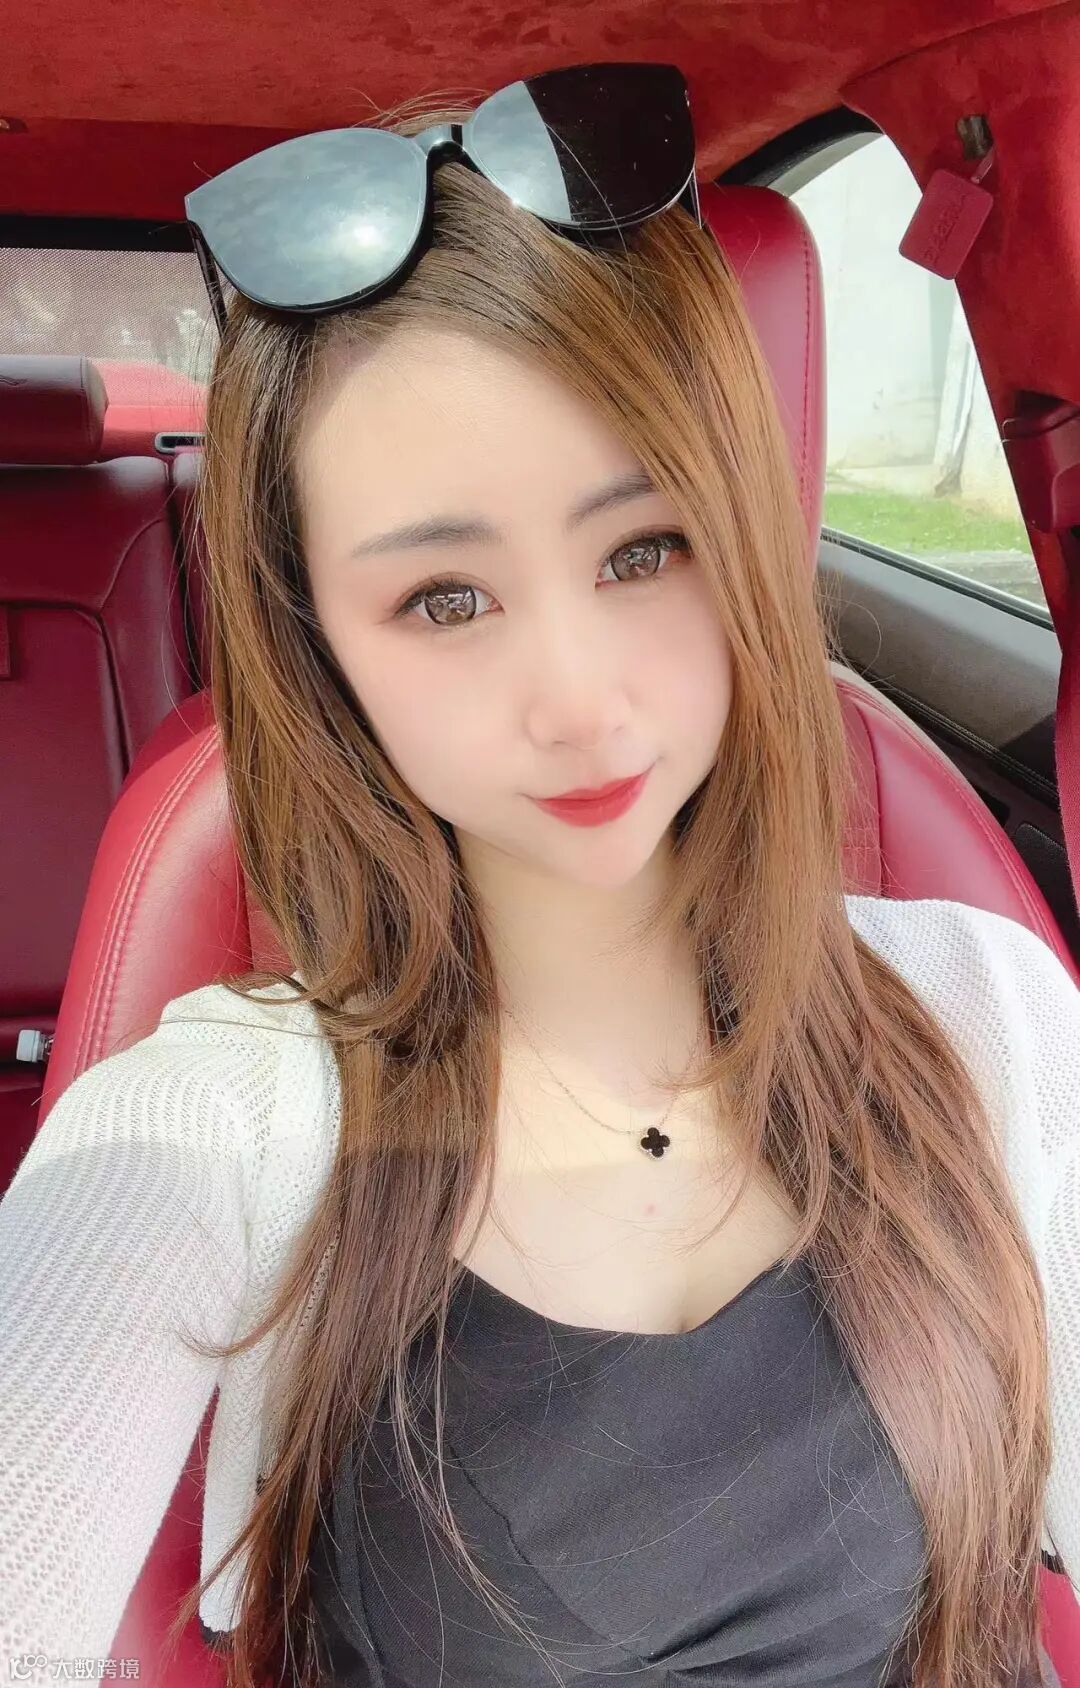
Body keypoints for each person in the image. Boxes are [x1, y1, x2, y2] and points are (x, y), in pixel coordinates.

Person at [0, 62, 1077, 1688]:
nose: (577, 700)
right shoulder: (216, 1123)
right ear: (321, 646)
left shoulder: (985, 1005)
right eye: (443, 599)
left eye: (644, 550)